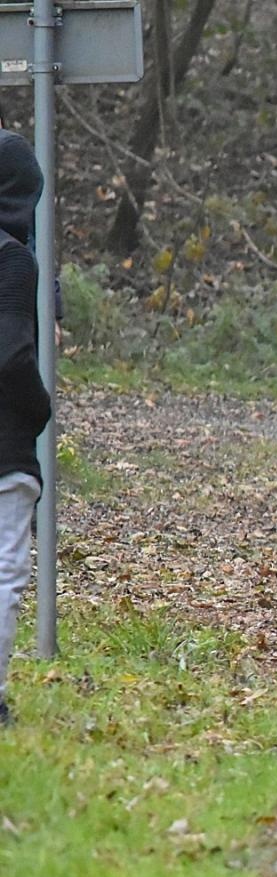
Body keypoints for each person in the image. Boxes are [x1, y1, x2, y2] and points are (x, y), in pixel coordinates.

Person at [0, 131, 49, 728]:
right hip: (5, 440)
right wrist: (39, 409)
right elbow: (11, 354)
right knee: (5, 569)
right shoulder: (12, 257)